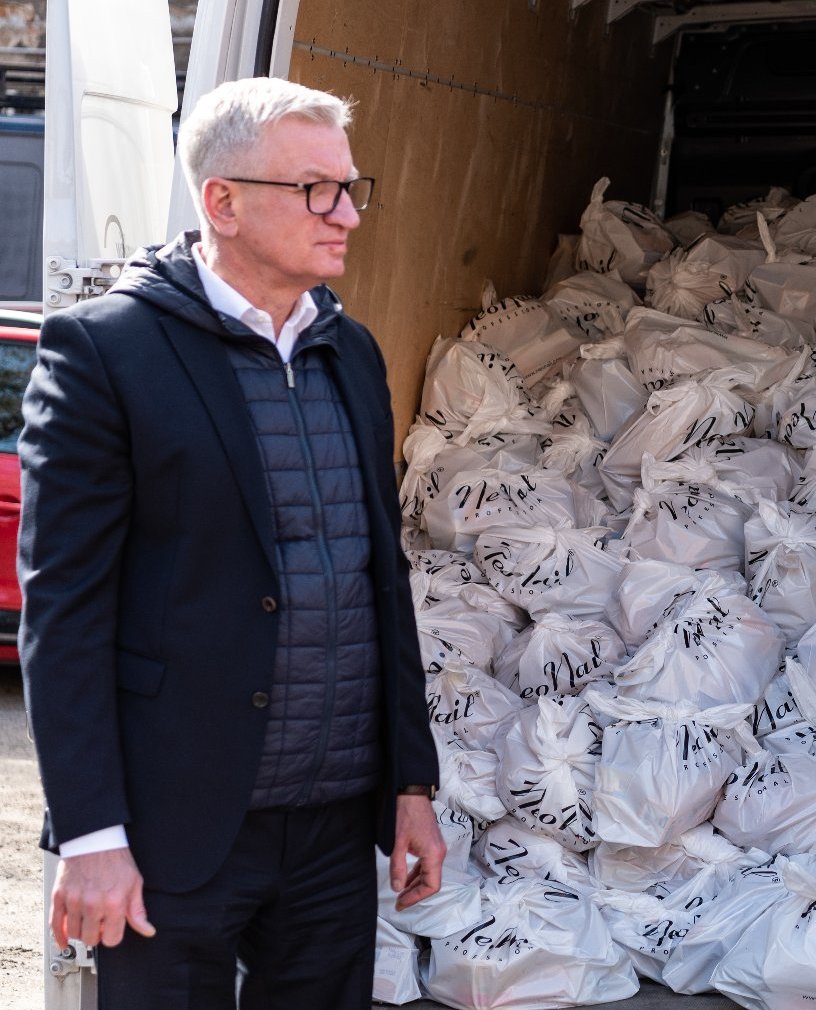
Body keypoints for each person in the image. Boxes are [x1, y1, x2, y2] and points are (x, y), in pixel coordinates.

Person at [20, 77, 443, 1008]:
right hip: (174, 830)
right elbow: (65, 609)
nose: (347, 216)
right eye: (316, 190)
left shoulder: (352, 352)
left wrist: (412, 783)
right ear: (225, 202)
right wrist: (91, 836)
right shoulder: (106, 353)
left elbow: (382, 580)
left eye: (350, 187)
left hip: (332, 828)